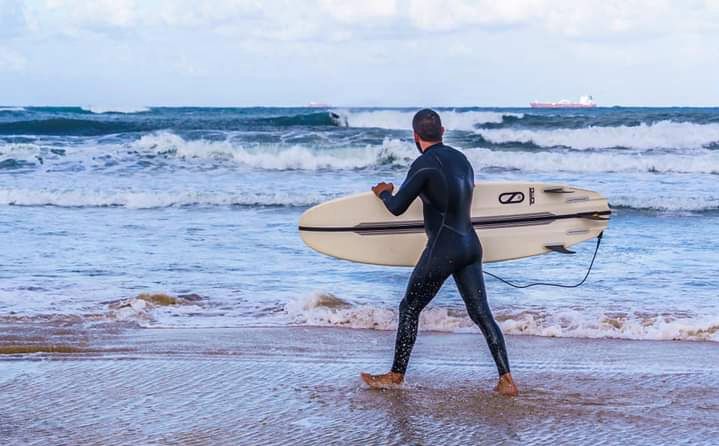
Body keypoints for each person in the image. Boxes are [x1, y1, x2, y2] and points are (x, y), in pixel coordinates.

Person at [361, 109, 519, 397]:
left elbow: (397, 207)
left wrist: (383, 192)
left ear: (415, 136)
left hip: (443, 248)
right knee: (482, 313)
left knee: (409, 308)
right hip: (471, 245)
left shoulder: (423, 165)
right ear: (443, 131)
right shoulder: (462, 160)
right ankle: (506, 379)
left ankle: (396, 376)